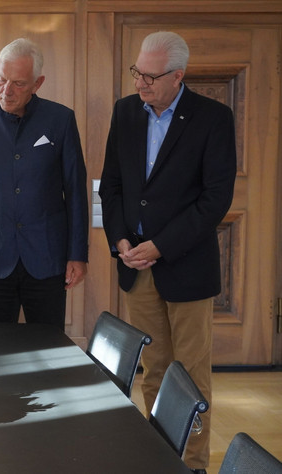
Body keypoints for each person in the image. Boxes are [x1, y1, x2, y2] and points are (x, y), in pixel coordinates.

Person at [98, 31, 237, 473]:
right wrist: (121, 240)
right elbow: (113, 185)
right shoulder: (125, 112)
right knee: (153, 369)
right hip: (136, 266)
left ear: (179, 76)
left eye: (151, 77)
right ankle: (162, 457)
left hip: (186, 266)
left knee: (191, 377)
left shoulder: (213, 118)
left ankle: (192, 465)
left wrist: (160, 245)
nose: (141, 83)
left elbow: (215, 200)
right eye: (137, 72)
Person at [0, 38, 89, 328]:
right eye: (1, 80)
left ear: (37, 83)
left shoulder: (61, 120)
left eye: (18, 83)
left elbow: (76, 190)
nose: (6, 91)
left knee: (48, 347)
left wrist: (77, 254)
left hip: (47, 257)